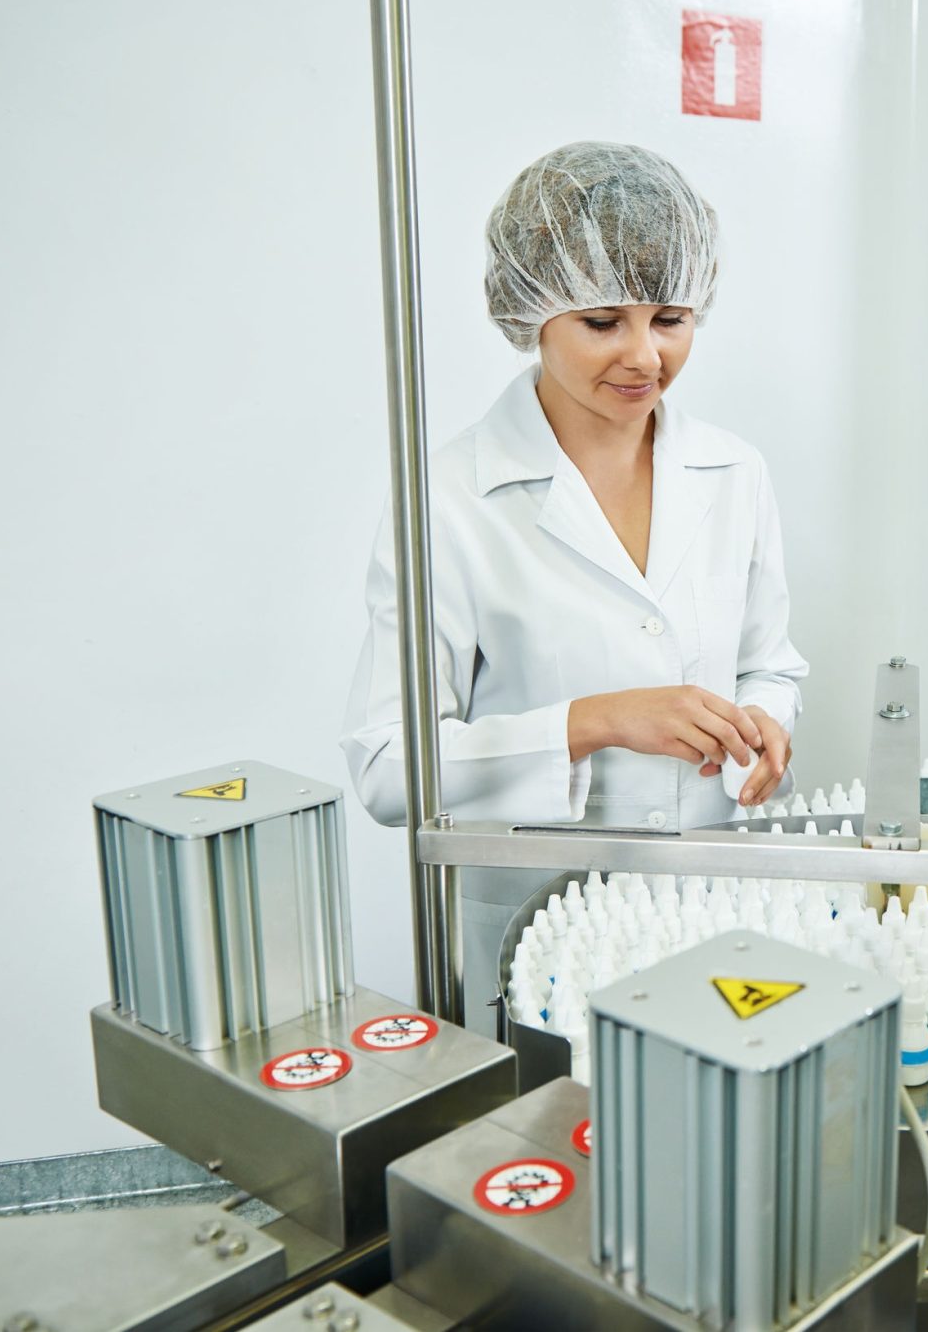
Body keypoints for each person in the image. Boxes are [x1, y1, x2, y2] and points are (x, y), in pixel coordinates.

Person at [343, 142, 807, 1022]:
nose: (644, 355)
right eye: (603, 322)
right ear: (534, 315)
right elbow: (384, 762)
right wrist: (595, 723)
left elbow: (770, 666)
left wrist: (766, 726)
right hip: (534, 935)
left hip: (706, 905)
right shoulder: (450, 500)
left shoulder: (733, 471)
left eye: (670, 317)